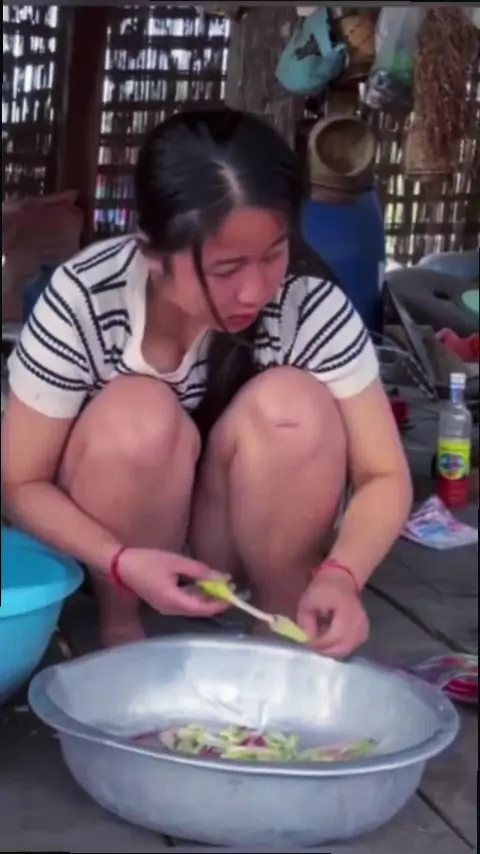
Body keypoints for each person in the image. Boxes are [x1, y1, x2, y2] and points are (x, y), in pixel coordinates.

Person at [2, 108, 412, 657]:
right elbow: (21, 484)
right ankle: (122, 630)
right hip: (118, 553)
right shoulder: (85, 297)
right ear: (153, 254)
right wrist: (120, 561)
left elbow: (385, 474)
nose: (255, 291)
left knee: (293, 406)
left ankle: (284, 619)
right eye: (225, 269)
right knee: (136, 413)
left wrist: (343, 574)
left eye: (273, 255)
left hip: (235, 539)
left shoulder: (308, 302)